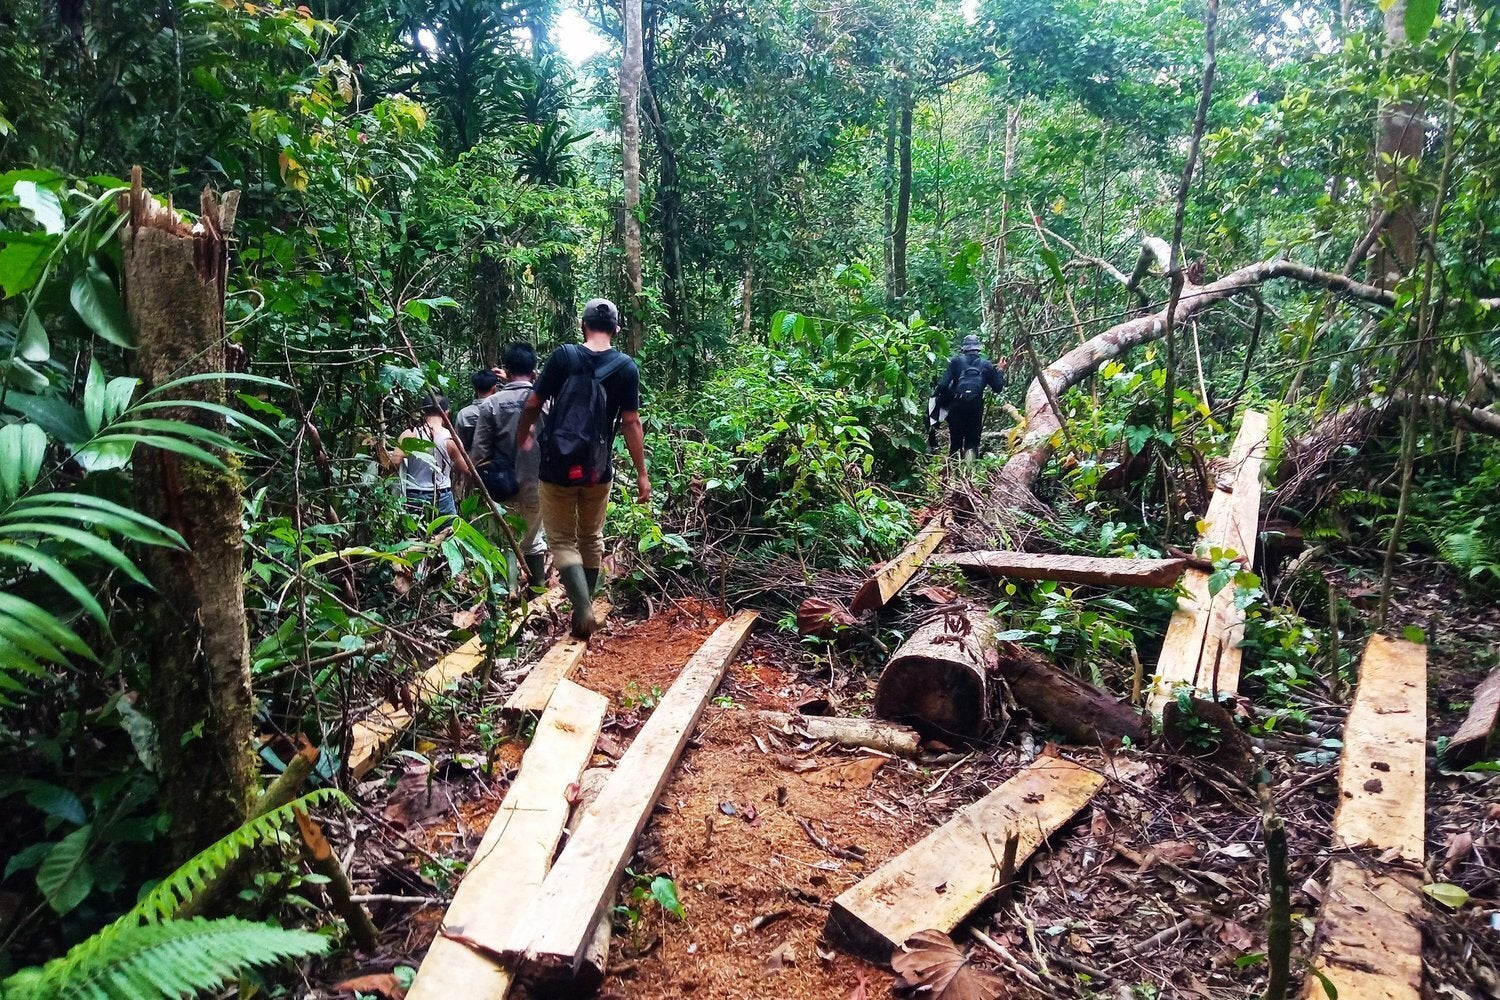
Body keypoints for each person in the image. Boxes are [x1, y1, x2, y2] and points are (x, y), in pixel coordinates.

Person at [516, 298, 649, 639]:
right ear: (616, 329)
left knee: (561, 539)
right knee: (591, 537)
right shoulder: (626, 368)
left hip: (556, 466)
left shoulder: (564, 356)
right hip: (597, 469)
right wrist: (641, 473)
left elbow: (533, 402)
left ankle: (583, 610)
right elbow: (631, 422)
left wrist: (524, 433)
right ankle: (584, 610)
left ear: (582, 325)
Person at [470, 342, 548, 589]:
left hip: (501, 487)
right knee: (534, 542)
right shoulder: (547, 403)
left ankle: (507, 594)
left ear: (507, 370)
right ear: (533, 372)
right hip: (539, 484)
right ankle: (537, 595)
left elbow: (479, 452)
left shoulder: (491, 404)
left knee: (505, 542)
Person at [377, 394, 470, 516]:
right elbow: (465, 468)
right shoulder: (451, 439)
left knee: (415, 528)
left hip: (414, 493)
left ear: (423, 412)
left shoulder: (409, 435)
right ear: (446, 413)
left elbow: (393, 463)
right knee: (448, 527)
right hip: (442, 494)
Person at [933, 333, 1006, 460]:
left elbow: (943, 385)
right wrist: (1000, 370)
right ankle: (970, 469)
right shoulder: (986, 365)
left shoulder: (956, 362)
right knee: (972, 443)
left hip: (957, 407)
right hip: (975, 408)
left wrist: (941, 401)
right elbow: (997, 388)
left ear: (964, 349)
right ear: (978, 349)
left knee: (956, 442)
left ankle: (954, 467)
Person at [455, 368, 499, 452]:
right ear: (494, 388)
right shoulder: (500, 410)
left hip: (472, 458)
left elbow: (460, 443)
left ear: (474, 389)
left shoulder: (464, 414)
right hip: (499, 458)